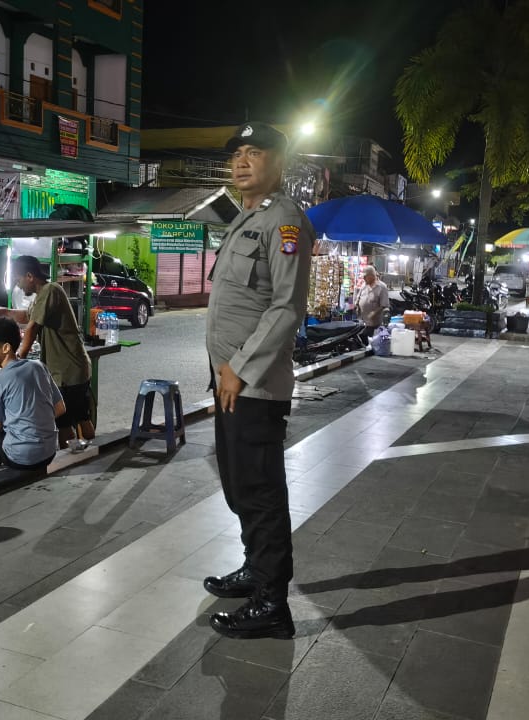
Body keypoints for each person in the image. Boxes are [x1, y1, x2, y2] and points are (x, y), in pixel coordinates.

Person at [203, 121, 313, 641]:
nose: (242, 161)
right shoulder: (247, 218)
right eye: (237, 154)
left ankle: (272, 602)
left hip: (254, 384)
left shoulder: (285, 222)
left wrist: (240, 367)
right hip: (230, 383)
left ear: (280, 162)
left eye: (255, 152)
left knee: (262, 490)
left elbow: (286, 308)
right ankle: (255, 569)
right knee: (239, 483)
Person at [0, 255, 95, 452]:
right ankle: (93, 453)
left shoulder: (51, 290)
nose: (18, 286)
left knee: (64, 422)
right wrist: (4, 311)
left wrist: (17, 362)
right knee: (80, 415)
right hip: (73, 369)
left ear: (29, 276)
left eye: (18, 279)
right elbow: (28, 316)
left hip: (67, 371)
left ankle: (71, 460)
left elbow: (32, 327)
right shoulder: (43, 295)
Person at [0, 317, 65, 480]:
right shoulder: (38, 366)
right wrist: (34, 420)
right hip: (49, 452)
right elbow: (60, 408)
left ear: (5, 348)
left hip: (22, 457)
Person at [354, 265, 390, 338]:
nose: (363, 278)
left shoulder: (382, 287)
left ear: (372, 276)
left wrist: (374, 313)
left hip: (374, 324)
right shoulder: (364, 285)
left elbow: (384, 305)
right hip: (362, 321)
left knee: (372, 343)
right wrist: (357, 304)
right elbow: (359, 296)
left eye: (365, 276)